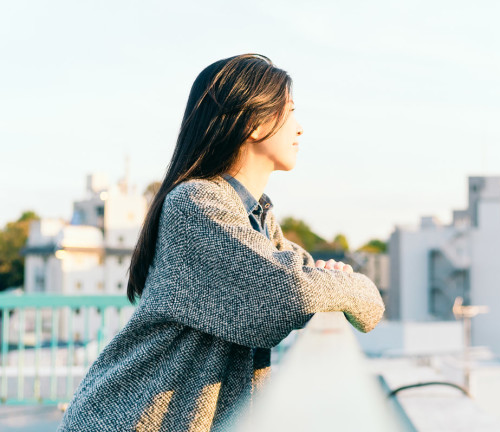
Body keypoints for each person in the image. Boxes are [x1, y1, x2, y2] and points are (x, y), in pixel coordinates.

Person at [57, 53, 385, 431]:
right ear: (255, 124)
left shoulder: (256, 219)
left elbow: (364, 306)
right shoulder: (196, 204)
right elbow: (290, 292)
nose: (300, 128)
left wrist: (340, 286)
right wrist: (344, 285)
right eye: (290, 111)